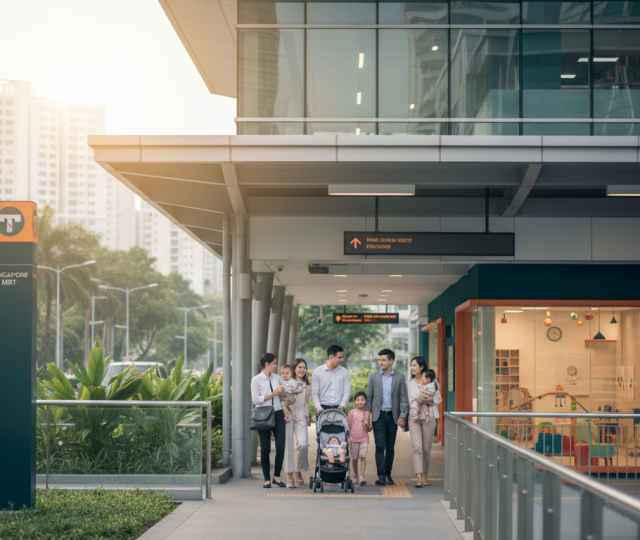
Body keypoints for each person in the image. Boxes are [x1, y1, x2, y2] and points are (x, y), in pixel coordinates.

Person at [363, 348, 409, 486]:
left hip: (392, 417)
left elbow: (404, 400)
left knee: (390, 447)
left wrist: (402, 416)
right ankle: (381, 475)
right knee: (379, 446)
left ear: (391, 361)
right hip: (379, 416)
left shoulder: (400, 377)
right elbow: (369, 398)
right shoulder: (374, 376)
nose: (381, 362)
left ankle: (388, 474)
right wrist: (367, 417)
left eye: (383, 360)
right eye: (379, 360)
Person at [250, 353, 286, 489]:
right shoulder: (256, 380)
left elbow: (283, 395)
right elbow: (256, 400)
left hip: (278, 414)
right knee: (265, 449)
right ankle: (266, 479)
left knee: (281, 446)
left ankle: (277, 476)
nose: (276, 366)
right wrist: (272, 394)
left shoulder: (277, 378)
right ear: (267, 364)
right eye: (274, 364)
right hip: (263, 414)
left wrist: (284, 393)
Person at [407, 357, 442, 488]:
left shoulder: (432, 382)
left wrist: (425, 401)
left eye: (414, 365)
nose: (412, 368)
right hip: (413, 418)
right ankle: (419, 478)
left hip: (429, 417)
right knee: (417, 448)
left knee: (426, 449)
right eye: (411, 365)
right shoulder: (409, 384)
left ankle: (425, 475)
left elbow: (438, 399)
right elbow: (406, 402)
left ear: (421, 367)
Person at [282, 358, 312, 488]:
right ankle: (290, 477)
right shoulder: (288, 382)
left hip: (301, 417)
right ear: (294, 369)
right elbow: (283, 398)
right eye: (299, 367)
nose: (302, 369)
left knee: (303, 445)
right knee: (288, 447)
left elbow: (306, 403)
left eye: (304, 367)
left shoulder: (306, 385)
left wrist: (308, 416)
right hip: (288, 416)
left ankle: (298, 470)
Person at [311, 345, 351, 415]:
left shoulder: (344, 372)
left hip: (339, 408)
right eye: (339, 357)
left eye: (342, 357)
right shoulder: (317, 372)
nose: (342, 359)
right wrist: (318, 407)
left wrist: (342, 405)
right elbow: (314, 392)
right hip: (322, 408)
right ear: (331, 357)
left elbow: (347, 391)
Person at [348, 391, 370, 486]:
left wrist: (368, 427)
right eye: (358, 400)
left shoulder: (367, 413)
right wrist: (348, 438)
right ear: (354, 401)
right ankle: (356, 475)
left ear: (365, 401)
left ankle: (362, 476)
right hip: (353, 439)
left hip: (364, 439)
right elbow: (348, 426)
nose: (360, 402)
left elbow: (370, 428)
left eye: (362, 400)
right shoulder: (351, 413)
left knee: (362, 457)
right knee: (354, 458)